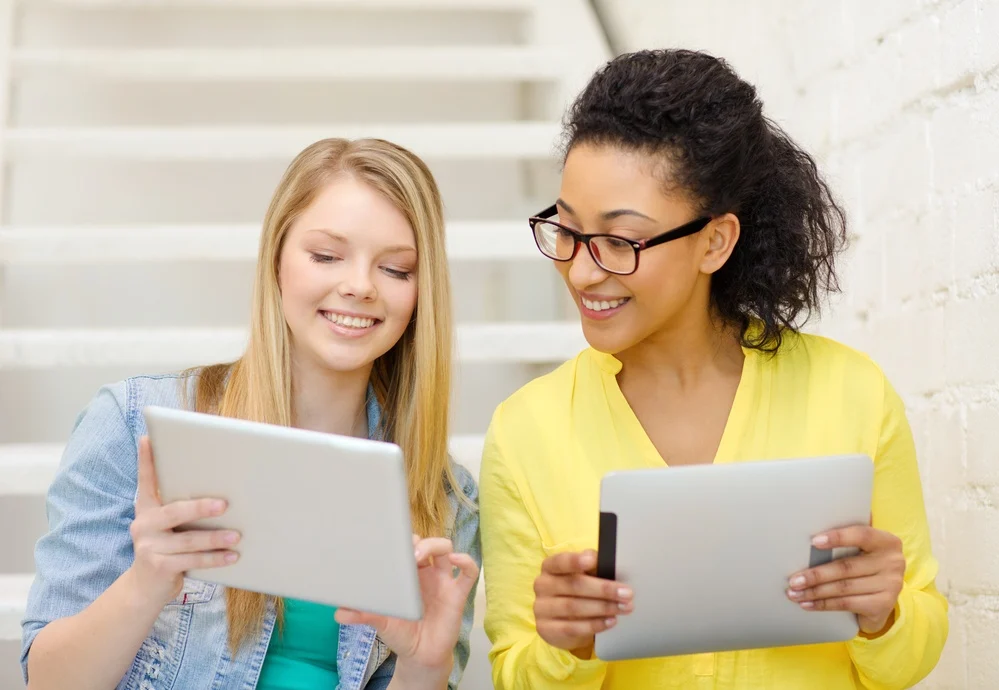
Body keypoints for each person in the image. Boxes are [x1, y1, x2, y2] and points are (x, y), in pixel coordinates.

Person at [479, 49, 947, 689]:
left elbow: (911, 652)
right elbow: (515, 673)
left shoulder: (853, 394)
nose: (582, 270)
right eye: (566, 231)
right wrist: (569, 646)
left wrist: (884, 615)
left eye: (620, 242)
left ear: (715, 241)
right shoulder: (525, 430)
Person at [21, 138, 481, 690]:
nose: (359, 286)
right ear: (277, 260)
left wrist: (424, 668)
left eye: (396, 269)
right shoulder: (132, 424)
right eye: (327, 256)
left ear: (419, 294)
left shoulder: (446, 501)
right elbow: (48, 683)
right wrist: (147, 582)